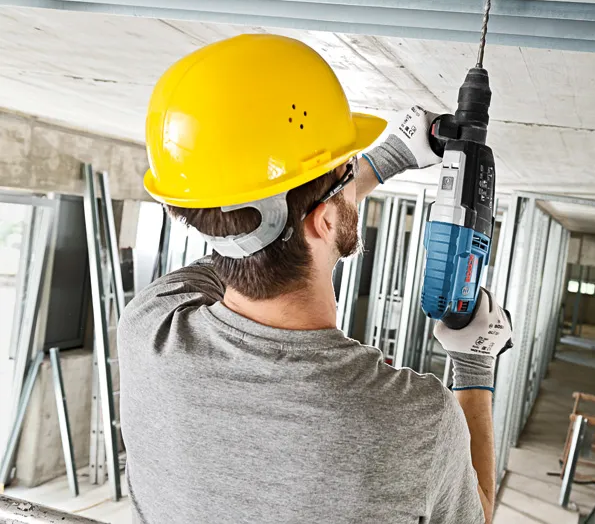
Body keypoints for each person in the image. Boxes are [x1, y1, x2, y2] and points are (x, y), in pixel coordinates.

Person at [118, 34, 512, 524]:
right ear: (323, 221)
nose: (354, 173)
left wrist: (380, 163)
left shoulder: (149, 327)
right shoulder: (415, 421)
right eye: (346, 171)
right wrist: (474, 363)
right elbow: (478, 513)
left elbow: (254, 231)